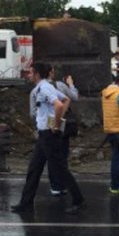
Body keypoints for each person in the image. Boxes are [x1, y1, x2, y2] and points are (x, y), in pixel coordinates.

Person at [11, 63, 85, 214]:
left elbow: (58, 105)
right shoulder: (46, 87)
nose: (29, 75)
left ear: (37, 74)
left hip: (49, 135)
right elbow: (66, 100)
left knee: (60, 169)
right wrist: (55, 120)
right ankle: (26, 203)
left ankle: (78, 200)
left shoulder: (44, 88)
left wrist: (56, 125)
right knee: (34, 169)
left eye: (31, 73)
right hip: (44, 134)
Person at [47, 66, 79, 196]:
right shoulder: (60, 85)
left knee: (51, 155)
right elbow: (74, 97)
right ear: (51, 73)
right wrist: (71, 84)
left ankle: (55, 185)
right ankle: (63, 184)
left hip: (47, 123)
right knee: (63, 153)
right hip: (62, 123)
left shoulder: (39, 88)